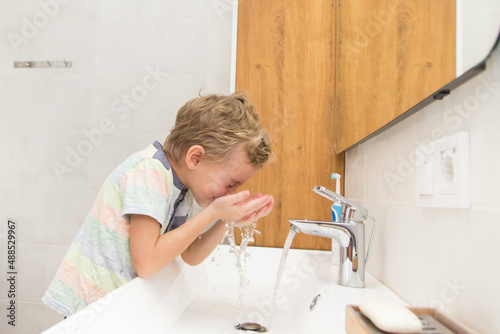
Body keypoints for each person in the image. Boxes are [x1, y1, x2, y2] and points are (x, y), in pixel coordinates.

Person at [43, 92, 275, 317]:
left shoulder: (188, 188)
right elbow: (146, 262)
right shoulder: (149, 172)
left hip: (119, 305)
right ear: (195, 158)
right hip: (93, 307)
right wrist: (213, 212)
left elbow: (191, 255)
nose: (231, 193)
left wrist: (225, 220)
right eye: (230, 184)